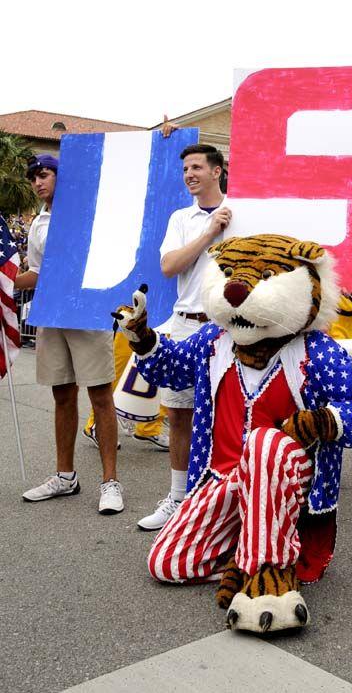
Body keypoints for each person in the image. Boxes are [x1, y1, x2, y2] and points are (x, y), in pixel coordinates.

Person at [15, 155, 123, 514]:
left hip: (87, 311)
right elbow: (37, 272)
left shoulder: (88, 212)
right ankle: (65, 476)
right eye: (33, 178)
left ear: (62, 175)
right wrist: (7, 281)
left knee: (100, 395)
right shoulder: (38, 223)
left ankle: (110, 482)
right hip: (53, 312)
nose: (37, 182)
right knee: (62, 395)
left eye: (44, 174)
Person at [137, 142, 232, 531]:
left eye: (196, 167)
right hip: (185, 324)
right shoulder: (182, 217)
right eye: (185, 169)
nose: (190, 174)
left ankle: (222, 499)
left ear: (217, 170)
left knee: (228, 414)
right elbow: (168, 265)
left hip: (228, 327)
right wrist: (209, 231)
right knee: (179, 413)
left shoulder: (241, 211)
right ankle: (178, 498)